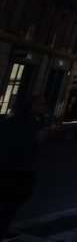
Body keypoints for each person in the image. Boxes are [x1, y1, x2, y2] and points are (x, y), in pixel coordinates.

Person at [0, 95, 47, 239]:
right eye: (41, 104)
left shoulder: (12, 120)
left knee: (10, 199)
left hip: (10, 165)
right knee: (12, 199)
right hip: (18, 166)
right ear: (32, 106)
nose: (44, 107)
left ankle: (3, 228)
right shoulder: (31, 122)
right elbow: (34, 142)